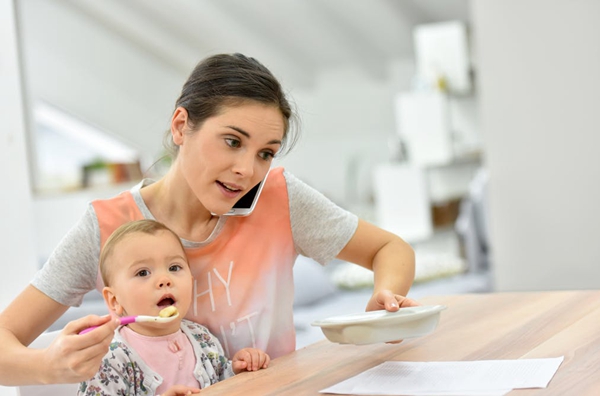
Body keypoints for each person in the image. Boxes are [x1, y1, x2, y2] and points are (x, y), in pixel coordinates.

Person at [0, 52, 417, 386]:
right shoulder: (108, 225)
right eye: (232, 141)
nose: (246, 170)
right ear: (181, 126)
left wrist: (387, 299)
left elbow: (389, 248)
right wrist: (48, 368)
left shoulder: (278, 196)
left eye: (265, 153)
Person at [78, 219, 269, 396]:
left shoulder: (202, 338)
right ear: (114, 300)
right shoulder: (108, 359)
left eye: (174, 268)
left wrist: (237, 370)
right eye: (143, 272)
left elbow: (220, 380)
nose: (164, 280)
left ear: (191, 281)